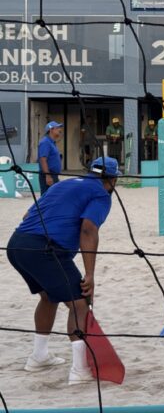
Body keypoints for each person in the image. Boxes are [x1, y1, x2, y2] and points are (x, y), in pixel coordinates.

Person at [6, 156, 120, 385]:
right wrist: (90, 275)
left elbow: (27, 216)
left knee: (49, 296)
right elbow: (88, 229)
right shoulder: (101, 195)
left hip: (16, 245)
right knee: (79, 303)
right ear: (113, 179)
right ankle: (80, 371)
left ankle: (39, 357)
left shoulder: (62, 184)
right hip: (46, 249)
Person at [38, 121, 64, 195]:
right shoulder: (45, 142)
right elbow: (43, 159)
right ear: (51, 130)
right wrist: (48, 176)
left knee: (54, 197)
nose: (60, 130)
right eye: (57, 128)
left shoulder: (51, 143)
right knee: (47, 198)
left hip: (53, 175)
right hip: (48, 175)